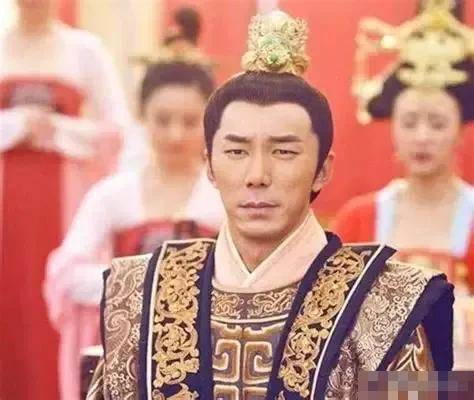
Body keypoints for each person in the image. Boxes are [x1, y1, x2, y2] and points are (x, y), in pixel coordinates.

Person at [87, 10, 454, 400]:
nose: (257, 175)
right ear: (210, 166)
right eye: (237, 151)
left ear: (322, 170)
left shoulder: (387, 303)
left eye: (284, 151)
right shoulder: (142, 292)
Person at [43, 8, 224, 400]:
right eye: (163, 120)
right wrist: (140, 284)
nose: (175, 135)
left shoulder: (224, 196)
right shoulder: (113, 194)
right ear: (143, 118)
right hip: (128, 355)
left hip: (211, 352)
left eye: (189, 121)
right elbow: (65, 273)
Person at [332, 0, 474, 368]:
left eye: (438, 124)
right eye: (409, 123)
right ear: (393, 128)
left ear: (460, 131)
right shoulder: (359, 218)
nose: (422, 137)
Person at [0, 0, 131, 398]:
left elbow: (116, 132)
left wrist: (57, 130)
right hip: (7, 209)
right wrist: (16, 126)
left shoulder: (85, 50)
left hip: (64, 209)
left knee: (56, 300)